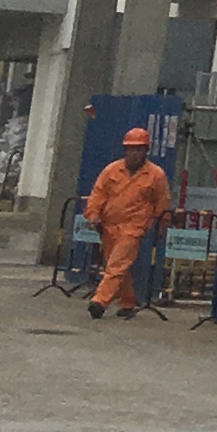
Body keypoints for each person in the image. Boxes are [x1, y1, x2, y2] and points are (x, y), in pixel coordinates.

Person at [84, 123, 170, 319]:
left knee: (117, 264)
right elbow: (98, 194)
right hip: (108, 226)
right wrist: (93, 215)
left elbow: (162, 202)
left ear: (145, 151)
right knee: (116, 266)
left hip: (134, 227)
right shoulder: (111, 170)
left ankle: (100, 301)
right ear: (125, 149)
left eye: (139, 149)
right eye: (131, 149)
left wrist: (161, 225)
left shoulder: (156, 175)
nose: (134, 154)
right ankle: (128, 301)